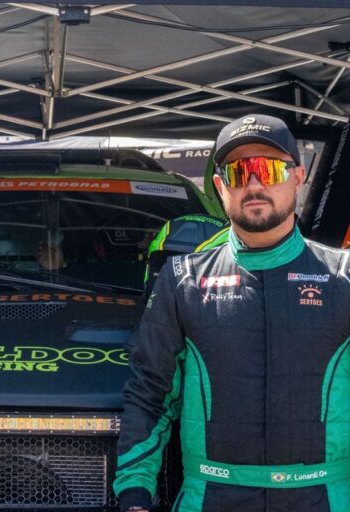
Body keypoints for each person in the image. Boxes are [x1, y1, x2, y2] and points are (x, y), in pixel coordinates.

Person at [114, 114, 350, 512]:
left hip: (326, 496)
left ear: (298, 177)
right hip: (211, 496)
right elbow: (150, 394)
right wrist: (135, 491)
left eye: (269, 169)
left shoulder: (344, 276)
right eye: (240, 173)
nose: (254, 184)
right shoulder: (181, 279)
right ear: (222, 187)